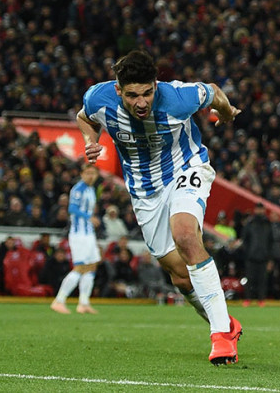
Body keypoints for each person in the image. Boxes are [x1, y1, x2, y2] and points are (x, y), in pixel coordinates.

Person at [76, 49, 243, 364]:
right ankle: (225, 322)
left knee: (185, 235)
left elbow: (214, 92)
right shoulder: (99, 99)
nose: (141, 102)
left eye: (148, 93)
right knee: (180, 276)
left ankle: (221, 336)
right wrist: (90, 139)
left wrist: (227, 112)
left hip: (186, 168)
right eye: (132, 95)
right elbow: (84, 118)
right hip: (144, 192)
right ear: (117, 90)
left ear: (157, 85)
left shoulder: (177, 97)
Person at [51, 165, 102, 315]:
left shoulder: (91, 189)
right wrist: (89, 217)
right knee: (80, 267)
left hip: (89, 233)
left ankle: (84, 303)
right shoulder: (78, 189)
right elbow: (72, 209)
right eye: (88, 173)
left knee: (92, 266)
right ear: (82, 174)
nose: (91, 176)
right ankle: (59, 300)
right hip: (79, 234)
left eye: (93, 173)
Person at [239, 202, 274, 305]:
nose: (260, 211)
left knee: (262, 280)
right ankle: (248, 299)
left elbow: (270, 242)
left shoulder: (268, 224)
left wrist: (270, 258)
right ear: (255, 210)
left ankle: (261, 300)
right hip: (251, 256)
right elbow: (245, 240)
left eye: (261, 209)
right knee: (250, 279)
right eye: (258, 209)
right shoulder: (250, 224)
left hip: (264, 257)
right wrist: (247, 253)